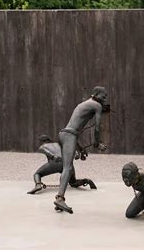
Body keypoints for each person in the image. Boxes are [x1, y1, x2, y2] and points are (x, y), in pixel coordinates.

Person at [54, 86, 109, 214]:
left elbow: (74, 126)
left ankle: (59, 201)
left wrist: (79, 147)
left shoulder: (84, 104)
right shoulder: (97, 106)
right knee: (67, 167)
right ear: (95, 94)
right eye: (103, 96)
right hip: (70, 136)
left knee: (68, 167)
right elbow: (97, 127)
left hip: (64, 134)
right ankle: (60, 198)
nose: (104, 99)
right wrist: (97, 144)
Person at [27, 134, 104, 195]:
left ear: (41, 141)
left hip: (55, 163)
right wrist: (76, 154)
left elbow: (48, 153)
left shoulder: (42, 146)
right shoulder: (59, 144)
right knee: (73, 183)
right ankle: (86, 181)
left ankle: (38, 185)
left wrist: (53, 156)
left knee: (37, 174)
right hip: (67, 163)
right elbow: (69, 150)